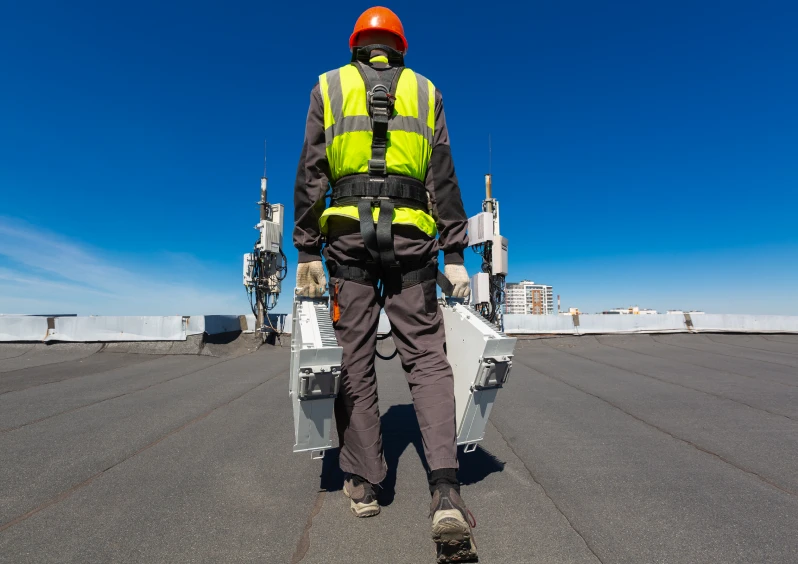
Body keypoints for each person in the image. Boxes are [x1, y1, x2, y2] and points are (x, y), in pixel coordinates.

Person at [293, 6, 476, 561]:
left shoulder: (328, 85)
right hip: (414, 240)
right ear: (399, 47)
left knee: (353, 358)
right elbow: (441, 172)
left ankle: (366, 483)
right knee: (427, 355)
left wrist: (304, 248)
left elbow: (311, 170)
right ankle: (445, 489)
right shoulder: (427, 92)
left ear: (357, 46)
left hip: (348, 237)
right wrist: (457, 253)